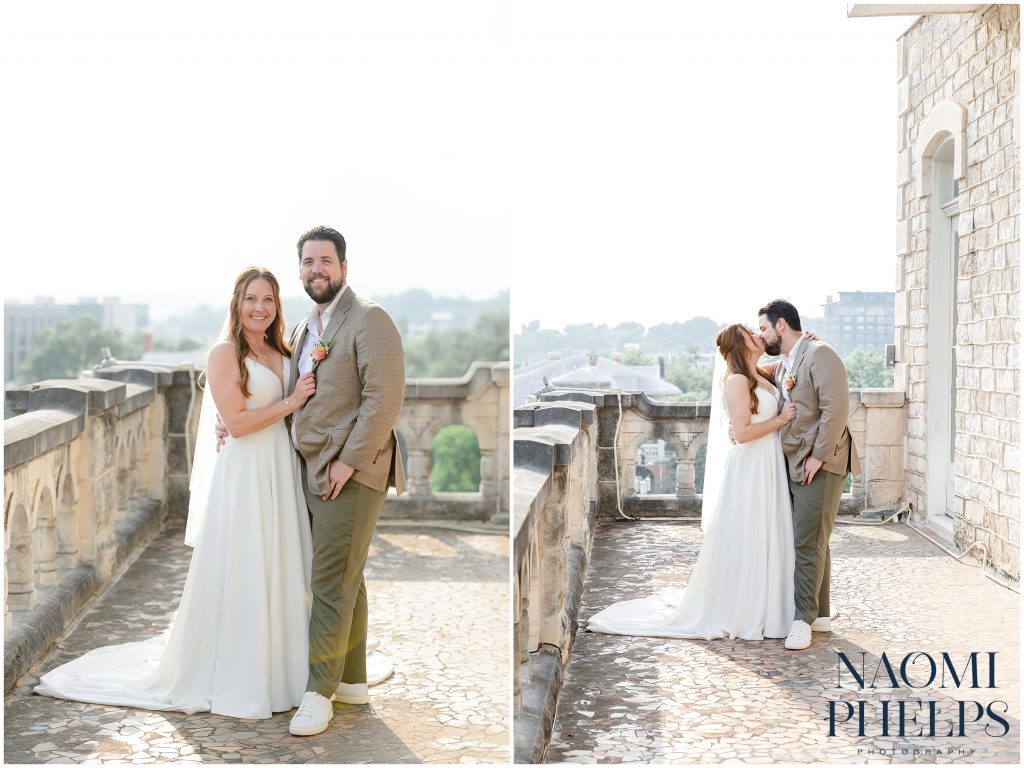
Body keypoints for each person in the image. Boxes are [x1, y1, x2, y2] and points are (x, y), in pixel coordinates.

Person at [35, 267, 319, 718]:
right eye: (251, 299)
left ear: (277, 305)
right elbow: (240, 423)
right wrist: (291, 401)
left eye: (267, 299)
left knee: (277, 564)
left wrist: (293, 407)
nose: (259, 307)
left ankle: (281, 669)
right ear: (237, 303)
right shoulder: (225, 353)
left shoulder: (281, 348)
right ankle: (241, 675)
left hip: (278, 469)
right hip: (245, 475)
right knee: (245, 565)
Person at [587, 323, 799, 640]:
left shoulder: (760, 374)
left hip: (768, 466)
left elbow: (789, 361)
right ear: (740, 346)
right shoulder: (737, 381)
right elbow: (741, 434)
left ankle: (770, 604)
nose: (758, 335)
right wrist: (781, 419)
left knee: (768, 531)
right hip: (750, 468)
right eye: (750, 334)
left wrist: (805, 338)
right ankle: (745, 607)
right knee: (748, 533)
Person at [278, 226, 406, 737]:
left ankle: (318, 693)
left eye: (325, 261)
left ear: (344, 267)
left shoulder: (370, 319)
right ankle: (352, 680)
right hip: (311, 469)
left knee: (328, 580)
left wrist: (347, 463)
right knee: (345, 572)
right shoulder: (304, 328)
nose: (317, 270)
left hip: (351, 473)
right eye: (308, 263)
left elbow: (384, 398)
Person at [756, 299, 860, 651]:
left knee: (806, 542)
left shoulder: (820, 354)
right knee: (816, 540)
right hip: (797, 462)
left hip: (821, 464)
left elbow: (837, 409)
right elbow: (750, 369)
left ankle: (801, 620)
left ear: (781, 325)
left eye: (764, 329)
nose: (762, 335)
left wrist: (818, 455)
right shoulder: (788, 361)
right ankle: (821, 615)